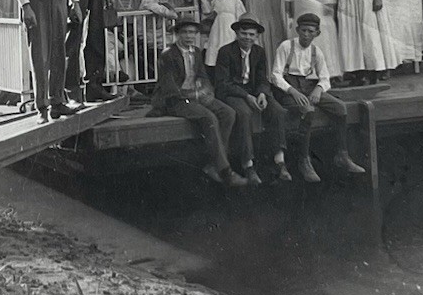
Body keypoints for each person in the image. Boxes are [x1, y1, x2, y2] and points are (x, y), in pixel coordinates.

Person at [148, 18, 248, 187]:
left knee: (228, 113)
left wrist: (206, 92)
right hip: (174, 99)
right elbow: (169, 87)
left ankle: (213, 164)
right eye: (185, 32)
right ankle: (225, 170)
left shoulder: (196, 51)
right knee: (209, 117)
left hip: (195, 95)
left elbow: (202, 76)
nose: (189, 36)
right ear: (178, 34)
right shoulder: (168, 54)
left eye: (193, 33)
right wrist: (194, 95)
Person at [271, 13, 368, 182]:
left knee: (340, 108)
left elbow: (324, 77)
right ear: (297, 30)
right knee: (308, 110)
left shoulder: (317, 52)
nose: (306, 35)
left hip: (309, 87)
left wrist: (318, 89)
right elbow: (275, 75)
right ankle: (304, 160)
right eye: (303, 30)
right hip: (288, 89)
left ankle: (342, 155)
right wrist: (293, 91)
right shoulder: (286, 47)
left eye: (310, 31)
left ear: (317, 33)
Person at [213, 16, 288, 183]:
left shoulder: (259, 52)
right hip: (232, 93)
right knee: (245, 114)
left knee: (278, 111)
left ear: (256, 36)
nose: (247, 38)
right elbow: (222, 83)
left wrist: (261, 93)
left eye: (251, 35)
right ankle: (248, 164)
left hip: (254, 92)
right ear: (236, 34)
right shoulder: (225, 52)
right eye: (243, 33)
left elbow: (262, 78)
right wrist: (246, 96)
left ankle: (279, 160)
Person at [203, 0, 245, 67]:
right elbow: (210, 14)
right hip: (217, 30)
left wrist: (239, 32)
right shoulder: (216, 0)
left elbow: (241, 18)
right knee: (216, 48)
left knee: (229, 49)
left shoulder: (236, 0)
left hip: (230, 30)